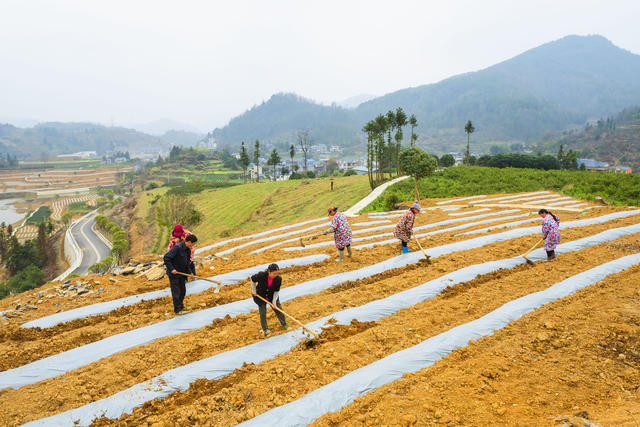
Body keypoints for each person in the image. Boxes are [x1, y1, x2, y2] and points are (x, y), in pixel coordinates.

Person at [251, 263, 291, 336]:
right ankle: (265, 329)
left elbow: (276, 291)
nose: (275, 275)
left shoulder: (278, 279)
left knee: (279, 310)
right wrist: (254, 290)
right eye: (274, 273)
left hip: (272, 296)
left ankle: (285, 324)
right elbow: (252, 279)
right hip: (261, 296)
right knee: (263, 313)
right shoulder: (262, 275)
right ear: (269, 271)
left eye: (277, 273)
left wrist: (274, 302)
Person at [164, 234, 197, 314]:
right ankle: (177, 310)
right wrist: (172, 269)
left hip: (182, 274)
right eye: (193, 244)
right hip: (174, 274)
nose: (193, 246)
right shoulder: (177, 248)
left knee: (183, 291)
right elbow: (166, 258)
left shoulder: (188, 250)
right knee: (176, 292)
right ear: (189, 242)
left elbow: (186, 263)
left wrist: (189, 272)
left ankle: (181, 307)